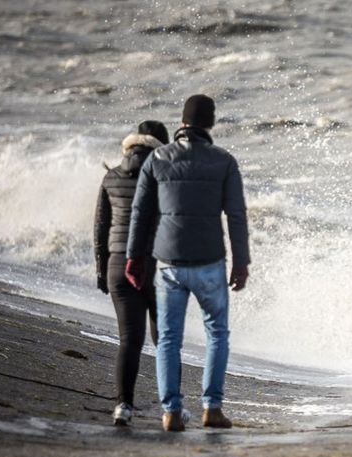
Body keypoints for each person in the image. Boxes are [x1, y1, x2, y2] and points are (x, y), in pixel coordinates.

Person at [125, 94, 251, 432]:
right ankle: (212, 408)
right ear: (210, 124)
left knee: (168, 338)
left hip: (168, 263)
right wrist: (242, 262)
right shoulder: (224, 161)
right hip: (210, 261)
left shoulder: (157, 159)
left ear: (182, 123)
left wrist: (133, 257)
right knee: (217, 333)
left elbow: (140, 213)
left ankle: (171, 412)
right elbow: (237, 215)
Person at [93, 120, 169, 426]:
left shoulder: (110, 176)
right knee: (165, 339)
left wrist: (101, 271)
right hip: (152, 266)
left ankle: (123, 406)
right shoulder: (163, 176)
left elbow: (100, 228)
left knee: (129, 340)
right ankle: (171, 408)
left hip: (116, 266)